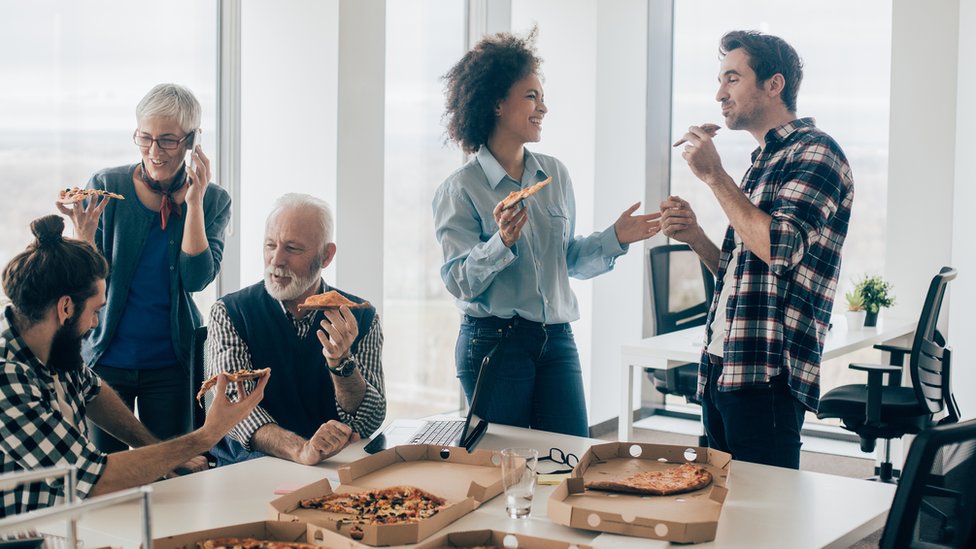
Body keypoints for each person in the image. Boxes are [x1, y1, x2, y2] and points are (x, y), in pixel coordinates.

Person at [432, 28, 661, 437]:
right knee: (510, 466)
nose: (543, 108)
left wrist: (616, 237)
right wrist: (500, 242)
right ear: (497, 103)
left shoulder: (555, 173)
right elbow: (458, 281)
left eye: (542, 97)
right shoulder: (460, 188)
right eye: (531, 96)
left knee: (571, 457)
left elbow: (567, 260)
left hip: (556, 340)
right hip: (494, 344)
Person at [663, 30, 854, 469]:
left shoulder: (817, 152)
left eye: (732, 79)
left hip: (766, 373)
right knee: (720, 510)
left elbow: (780, 250)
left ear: (774, 84)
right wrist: (696, 238)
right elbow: (741, 272)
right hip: (722, 362)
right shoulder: (762, 162)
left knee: (767, 519)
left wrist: (714, 177)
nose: (719, 94)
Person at [0, 216, 265, 518]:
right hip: (25, 536)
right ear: (65, 308)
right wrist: (205, 436)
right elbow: (93, 479)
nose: (95, 323)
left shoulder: (52, 345)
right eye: (96, 311)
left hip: (64, 520)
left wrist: (156, 451)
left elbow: (94, 392)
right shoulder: (6, 377)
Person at [56, 83, 231, 453]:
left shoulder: (215, 200)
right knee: (105, 472)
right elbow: (86, 281)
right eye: (145, 138)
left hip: (172, 363)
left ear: (191, 140)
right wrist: (83, 238)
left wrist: (195, 204)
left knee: (170, 471)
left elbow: (196, 279)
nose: (154, 151)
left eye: (167, 140)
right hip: (105, 357)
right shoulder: (105, 186)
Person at [205, 193, 385, 466]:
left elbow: (368, 421)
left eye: (292, 248)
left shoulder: (362, 316)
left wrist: (342, 364)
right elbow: (234, 412)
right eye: (270, 245)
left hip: (332, 466)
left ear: (326, 255)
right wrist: (301, 450)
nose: (276, 260)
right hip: (250, 466)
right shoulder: (230, 312)